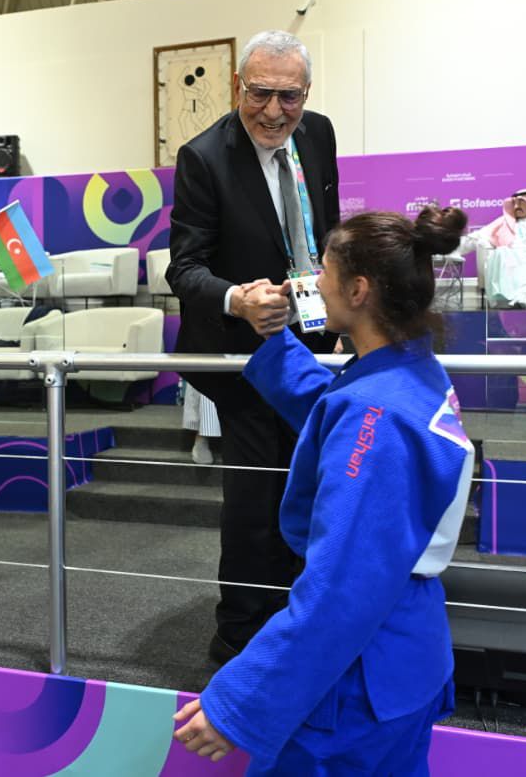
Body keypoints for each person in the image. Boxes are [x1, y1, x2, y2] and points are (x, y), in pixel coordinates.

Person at [173, 206, 473, 774]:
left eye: (325, 272)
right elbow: (338, 407)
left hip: (356, 680)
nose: (312, 284)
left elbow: (339, 591)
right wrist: (276, 340)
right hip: (407, 654)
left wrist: (238, 703)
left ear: (358, 290)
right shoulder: (410, 370)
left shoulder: (377, 415)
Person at [166, 30, 341, 664]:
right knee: (256, 496)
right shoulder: (203, 157)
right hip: (245, 357)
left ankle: (296, 615)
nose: (273, 111)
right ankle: (238, 631)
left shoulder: (317, 134)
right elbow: (184, 268)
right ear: (238, 86)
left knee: (310, 482)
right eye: (260, 93)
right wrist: (236, 298)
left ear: (307, 93)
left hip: (314, 345)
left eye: (288, 96)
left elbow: (326, 232)